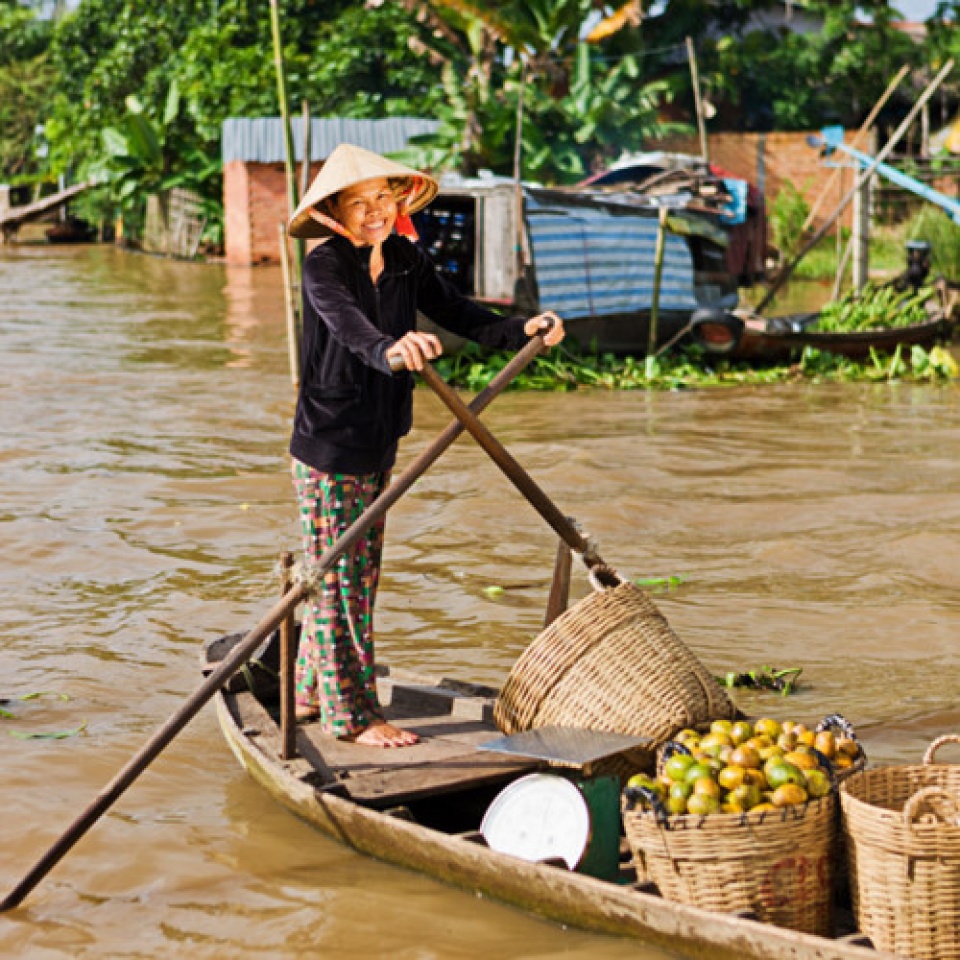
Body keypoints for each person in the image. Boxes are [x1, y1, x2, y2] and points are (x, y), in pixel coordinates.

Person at [286, 143, 564, 748]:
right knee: (338, 580)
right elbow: (350, 327)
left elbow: (457, 312)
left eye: (382, 198)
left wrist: (522, 327)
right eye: (358, 204)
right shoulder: (323, 267)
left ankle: (308, 690)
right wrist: (389, 348)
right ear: (334, 213)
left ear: (399, 201)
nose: (374, 212)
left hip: (380, 437)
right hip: (330, 443)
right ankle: (351, 716)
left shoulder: (406, 257)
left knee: (355, 576)